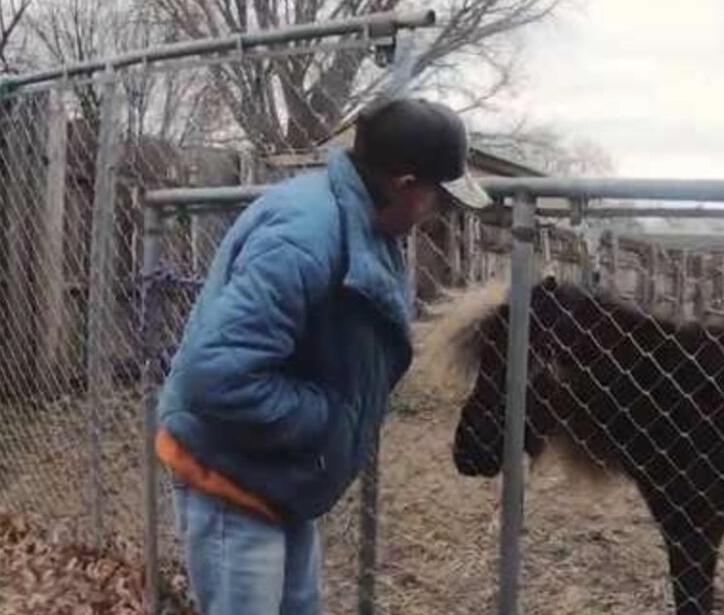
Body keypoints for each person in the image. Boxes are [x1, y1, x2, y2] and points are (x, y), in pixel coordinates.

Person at [154, 97, 492, 615]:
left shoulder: (363, 222)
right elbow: (216, 375)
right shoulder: (303, 238)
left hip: (279, 473)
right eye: (439, 198)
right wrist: (333, 416)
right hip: (231, 475)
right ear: (404, 184)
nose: (439, 212)